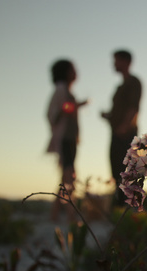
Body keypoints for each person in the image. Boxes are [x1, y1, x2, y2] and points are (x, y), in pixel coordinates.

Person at [46, 59, 88, 221]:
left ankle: (55, 215)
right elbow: (61, 109)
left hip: (69, 138)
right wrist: (78, 105)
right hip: (65, 138)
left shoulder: (64, 90)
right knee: (69, 175)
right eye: (73, 69)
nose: (76, 72)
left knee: (66, 176)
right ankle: (71, 214)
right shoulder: (61, 89)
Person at [101, 50, 142, 207]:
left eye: (116, 60)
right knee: (117, 172)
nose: (114, 64)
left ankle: (126, 208)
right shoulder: (120, 86)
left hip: (126, 135)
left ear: (126, 62)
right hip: (116, 133)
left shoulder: (133, 82)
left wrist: (124, 127)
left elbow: (134, 107)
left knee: (126, 172)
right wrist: (109, 116)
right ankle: (119, 208)